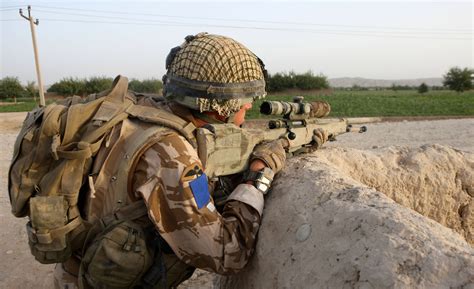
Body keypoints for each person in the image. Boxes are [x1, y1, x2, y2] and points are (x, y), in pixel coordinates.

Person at [54, 32, 327, 288]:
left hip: (78, 266)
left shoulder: (144, 110)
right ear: (220, 105)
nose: (248, 106)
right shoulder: (171, 154)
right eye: (245, 98)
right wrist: (259, 174)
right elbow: (227, 253)